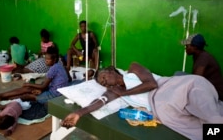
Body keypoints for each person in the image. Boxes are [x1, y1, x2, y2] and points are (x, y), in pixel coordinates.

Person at [61, 62, 223, 140]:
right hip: (165, 110)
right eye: (102, 83)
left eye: (103, 77)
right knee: (199, 131)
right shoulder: (115, 92)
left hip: (173, 89)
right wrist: (78, 113)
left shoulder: (133, 69)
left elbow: (151, 84)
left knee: (209, 113)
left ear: (111, 70)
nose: (104, 83)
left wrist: (124, 91)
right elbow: (100, 101)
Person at [0, 46, 69, 104]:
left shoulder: (53, 68)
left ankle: (3, 98)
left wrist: (30, 84)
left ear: (54, 59)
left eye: (48, 59)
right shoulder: (60, 66)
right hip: (51, 89)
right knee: (28, 88)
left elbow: (43, 86)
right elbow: (67, 79)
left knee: (27, 95)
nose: (46, 61)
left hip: (54, 95)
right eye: (45, 59)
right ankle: (0, 95)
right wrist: (42, 89)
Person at [181, 33, 223, 101]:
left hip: (216, 92)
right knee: (179, 75)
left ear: (195, 47)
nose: (185, 47)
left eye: (187, 45)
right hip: (208, 87)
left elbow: (197, 79)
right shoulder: (198, 56)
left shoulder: (203, 58)